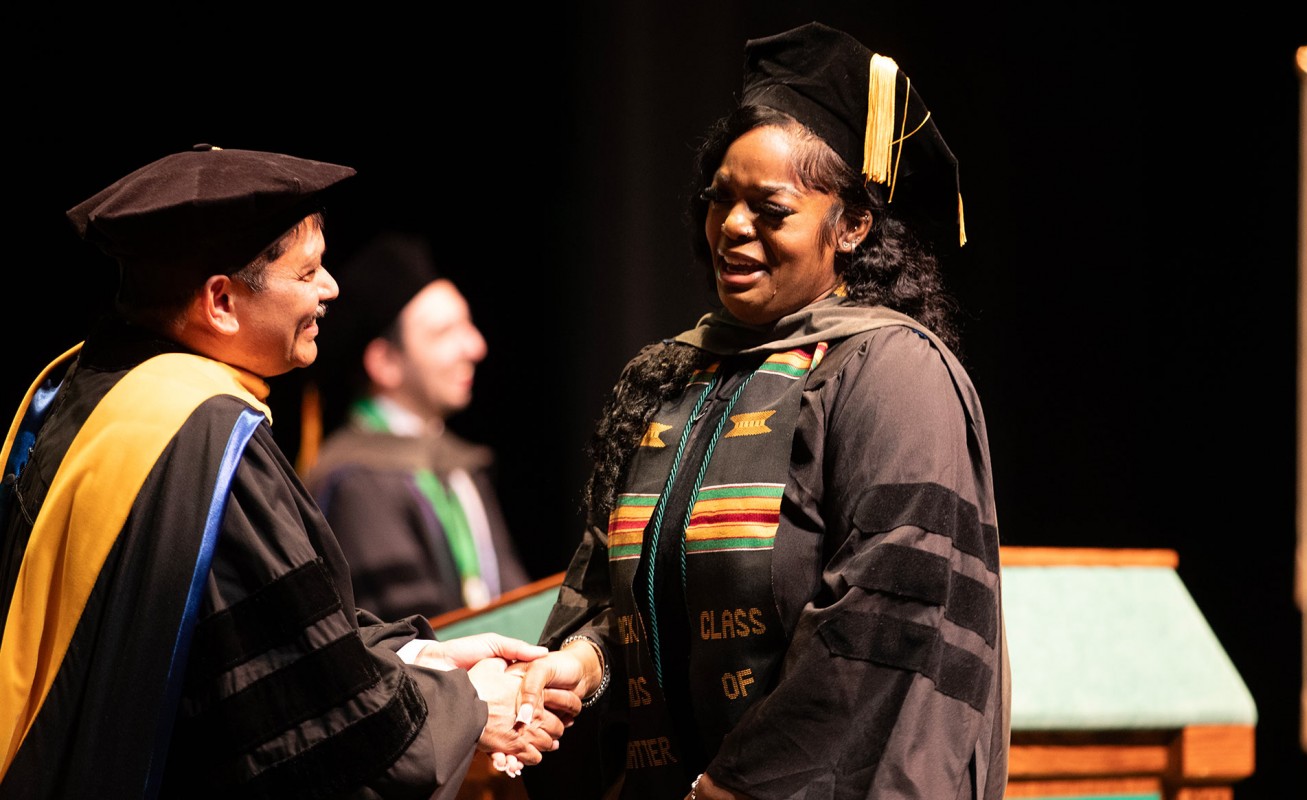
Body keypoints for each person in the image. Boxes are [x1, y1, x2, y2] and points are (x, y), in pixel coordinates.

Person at [517, 21, 1012, 800]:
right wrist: (575, 663)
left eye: (769, 208)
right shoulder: (667, 378)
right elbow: (614, 598)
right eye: (720, 200)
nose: (732, 228)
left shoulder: (889, 374)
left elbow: (880, 619)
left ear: (851, 226)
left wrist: (743, 785)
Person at [0, 145, 578, 799]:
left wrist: (422, 654)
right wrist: (466, 707)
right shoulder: (204, 432)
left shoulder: (86, 388)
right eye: (308, 272)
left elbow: (253, 638)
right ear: (220, 302)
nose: (330, 288)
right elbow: (309, 717)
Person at [302, 231, 530, 622]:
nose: (475, 347)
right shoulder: (357, 482)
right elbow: (407, 630)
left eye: (468, 324)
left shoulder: (458, 464)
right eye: (445, 333)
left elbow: (516, 597)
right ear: (386, 362)